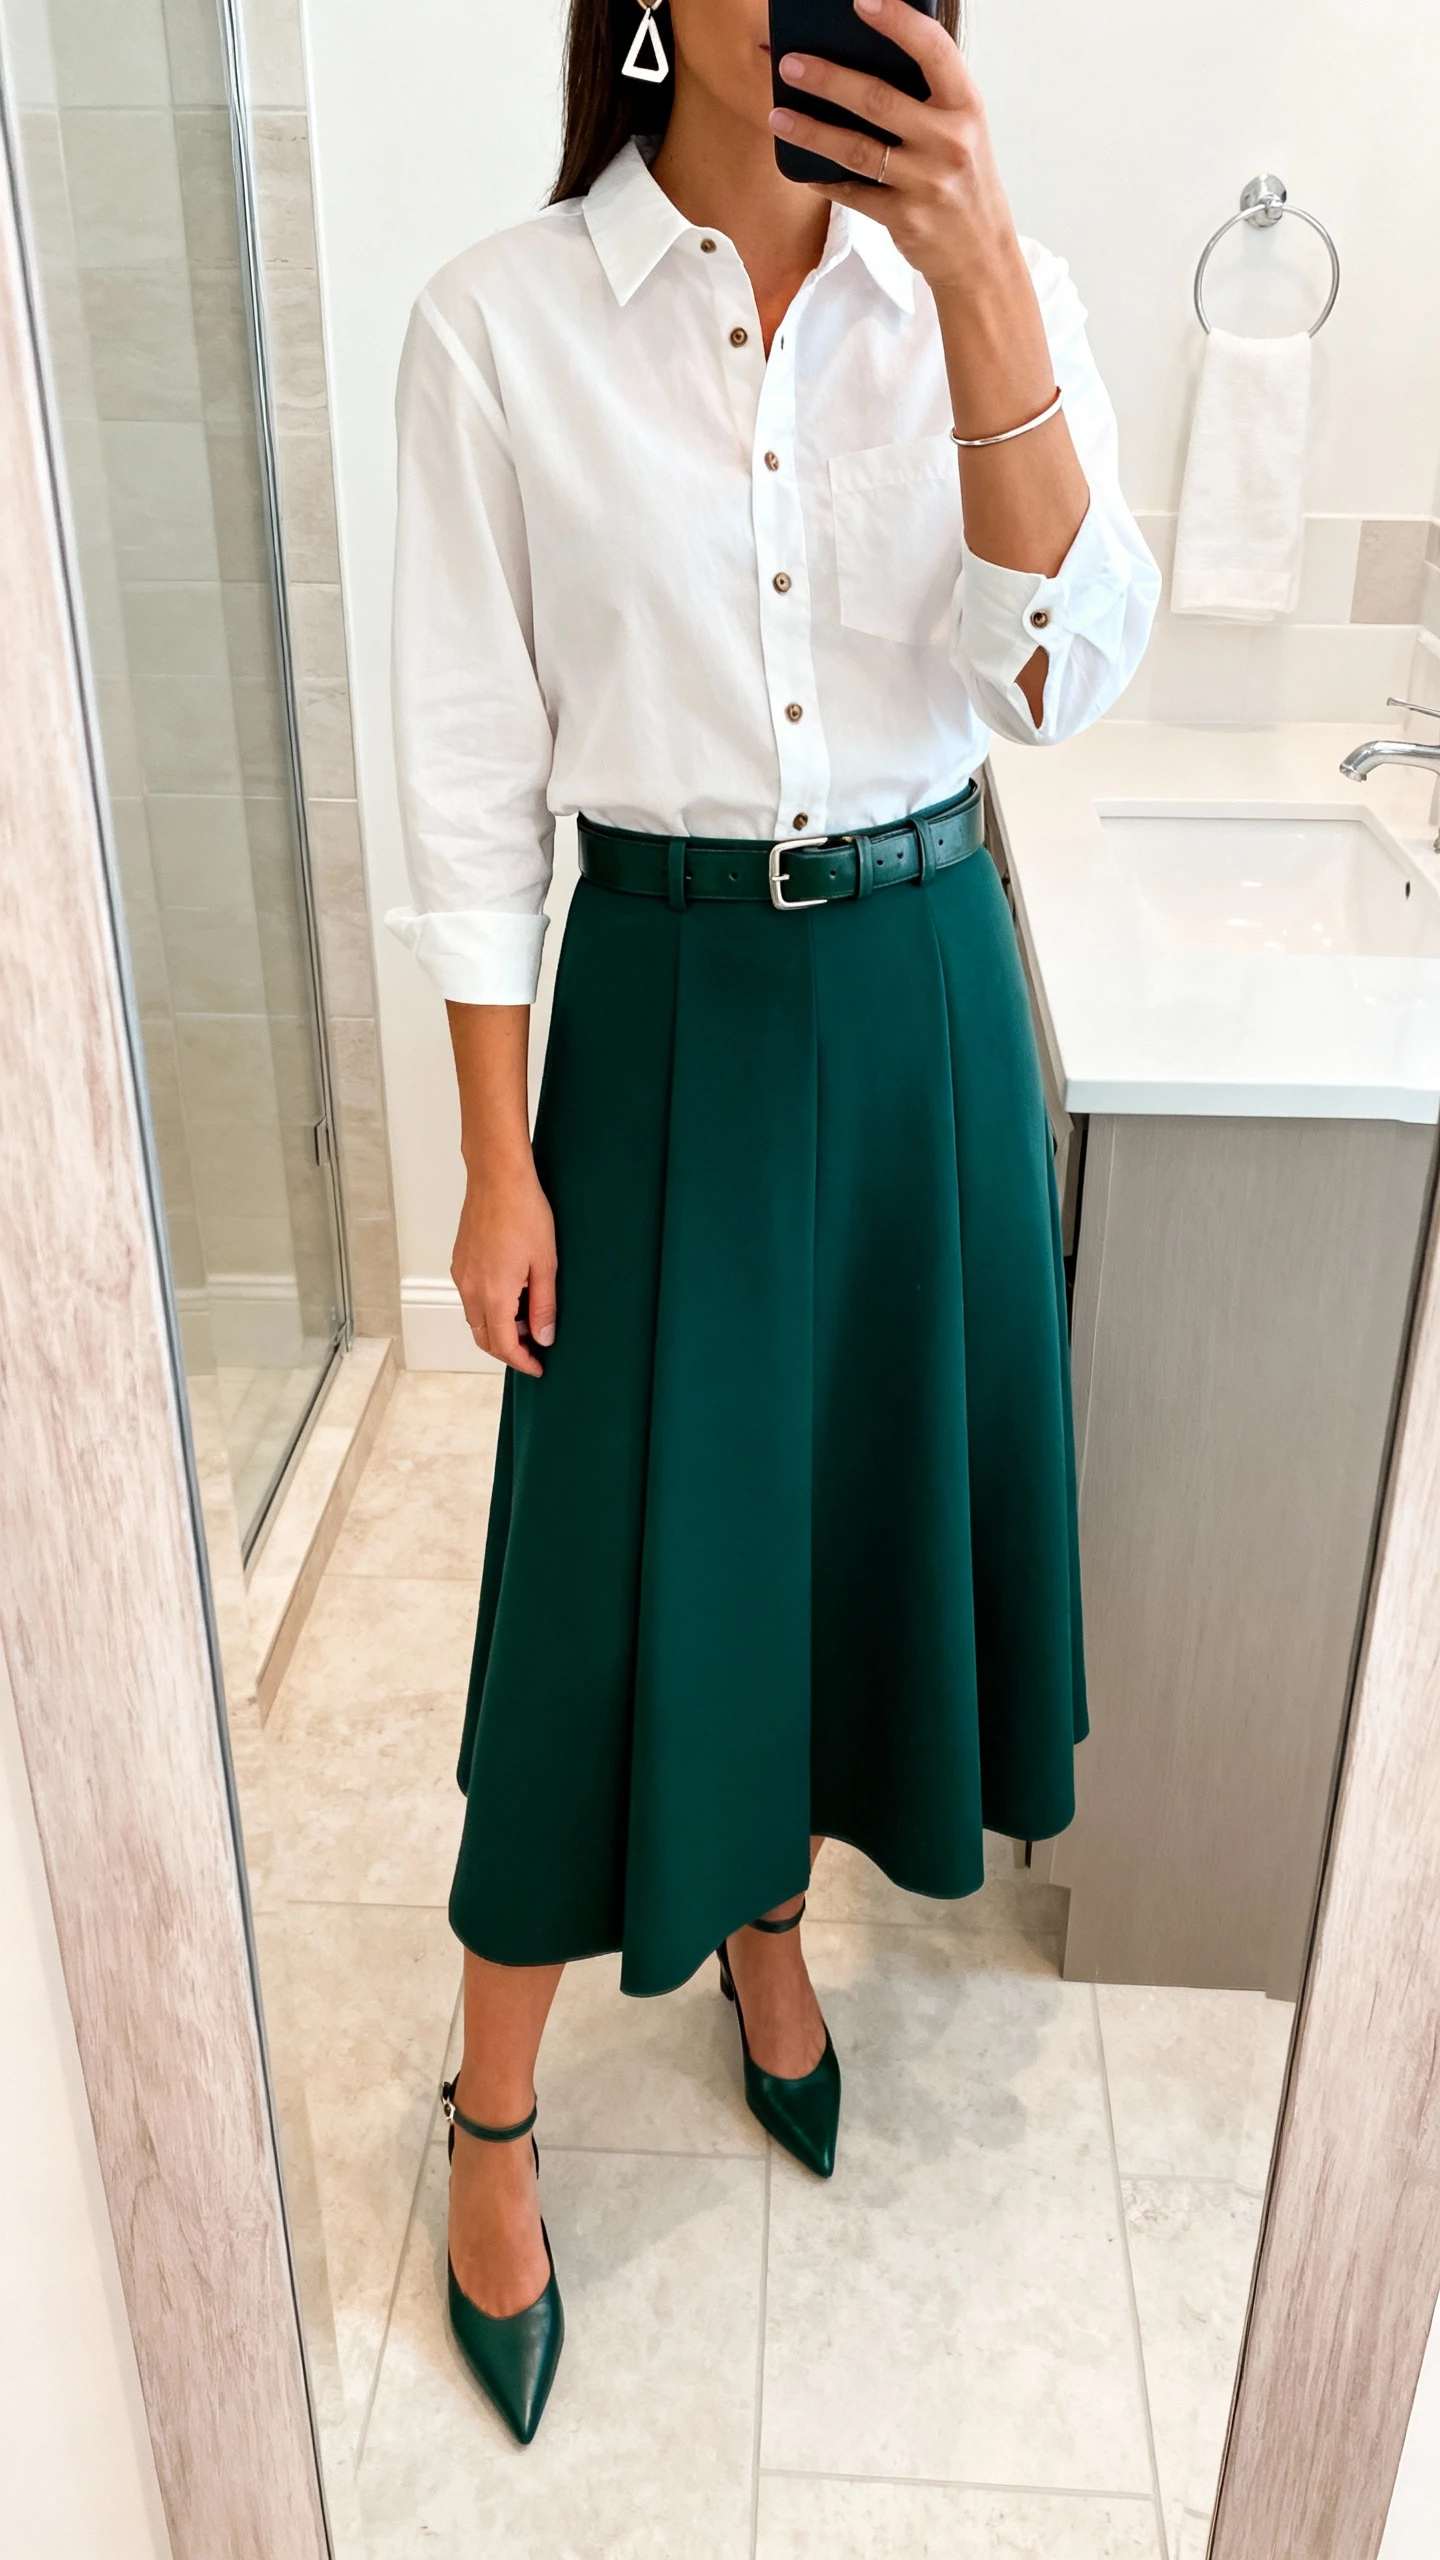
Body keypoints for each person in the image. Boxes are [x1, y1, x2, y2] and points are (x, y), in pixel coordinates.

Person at [388, 0, 1158, 2444]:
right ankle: (493, 2102)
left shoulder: (982, 296)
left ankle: (763, 1928)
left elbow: (1058, 678)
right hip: (668, 1005)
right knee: (606, 1577)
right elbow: (464, 769)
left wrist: (994, 285)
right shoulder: (501, 326)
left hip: (927, 988)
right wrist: (498, 1153)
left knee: (835, 1526)